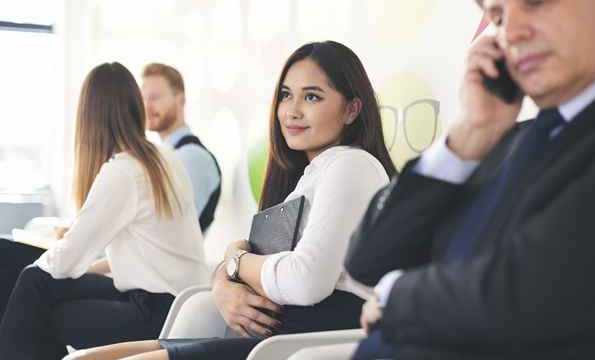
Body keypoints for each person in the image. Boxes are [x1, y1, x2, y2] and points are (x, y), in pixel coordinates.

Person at [66, 40, 396, 360]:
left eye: (312, 96)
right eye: (285, 95)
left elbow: (305, 280)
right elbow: (255, 257)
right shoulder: (309, 175)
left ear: (352, 109)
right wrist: (227, 278)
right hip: (270, 334)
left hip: (301, 339)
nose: (292, 111)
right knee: (84, 359)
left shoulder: (352, 165)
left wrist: (236, 262)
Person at [336, 0, 595, 359]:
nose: (512, 31)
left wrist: (396, 297)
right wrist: (470, 134)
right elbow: (370, 258)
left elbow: (528, 292)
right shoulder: (505, 141)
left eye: (537, 0)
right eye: (498, 16)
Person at [0, 62, 209, 360]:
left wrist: (39, 268)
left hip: (156, 313)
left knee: (35, 287)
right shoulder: (163, 158)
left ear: (89, 117)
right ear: (135, 106)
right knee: (25, 276)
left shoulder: (123, 171)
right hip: (179, 305)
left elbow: (65, 262)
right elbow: (133, 253)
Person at [141, 63, 221, 232]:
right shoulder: (166, 155)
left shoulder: (193, 157)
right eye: (143, 98)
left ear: (181, 100)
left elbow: (168, 230)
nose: (146, 106)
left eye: (154, 98)